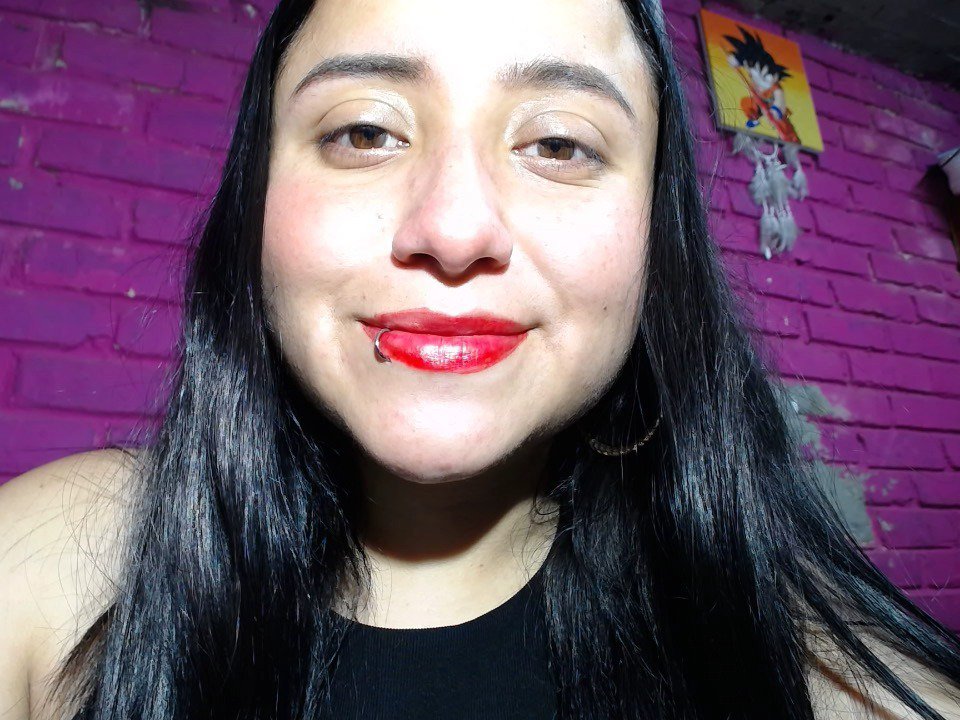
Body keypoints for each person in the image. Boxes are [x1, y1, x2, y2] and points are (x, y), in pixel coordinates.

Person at [1, 0, 959, 718]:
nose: (454, 229)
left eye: (559, 144)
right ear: (254, 199)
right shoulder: (48, 565)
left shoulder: (830, 681)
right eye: (364, 131)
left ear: (656, 241)